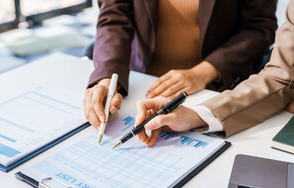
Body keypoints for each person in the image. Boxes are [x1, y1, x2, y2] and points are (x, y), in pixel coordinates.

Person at [83, 0, 277, 129]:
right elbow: (114, 17)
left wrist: (205, 71)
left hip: (217, 89)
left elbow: (259, 28)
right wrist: (107, 77)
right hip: (141, 86)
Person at [134, 0, 294, 147]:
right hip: (143, 81)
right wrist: (195, 116)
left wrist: (206, 71)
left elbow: (260, 27)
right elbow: (279, 78)